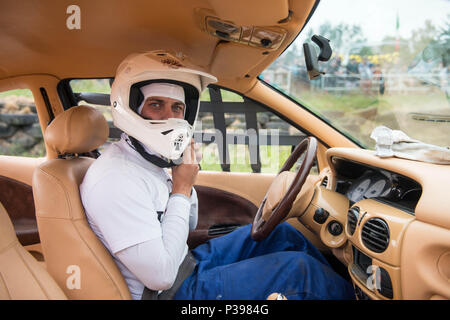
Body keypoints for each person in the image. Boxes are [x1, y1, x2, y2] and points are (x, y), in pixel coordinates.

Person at [80, 52, 355, 300]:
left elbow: (188, 223)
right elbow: (160, 276)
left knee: (282, 234)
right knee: (300, 273)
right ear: (131, 107)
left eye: (177, 108)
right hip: (169, 294)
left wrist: (181, 176)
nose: (169, 117)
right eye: (156, 105)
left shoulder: (145, 159)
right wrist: (181, 189)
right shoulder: (114, 178)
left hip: (184, 265)